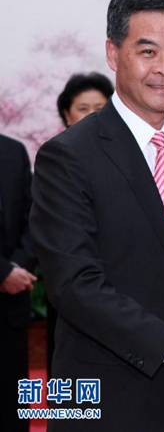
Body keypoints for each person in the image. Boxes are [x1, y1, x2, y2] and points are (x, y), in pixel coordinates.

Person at [30, 0, 164, 432]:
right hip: (108, 401)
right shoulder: (67, 156)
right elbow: (75, 286)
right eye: (147, 52)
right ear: (113, 53)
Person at [46, 72, 115, 380]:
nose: (92, 116)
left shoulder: (130, 159)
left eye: (100, 108)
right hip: (77, 293)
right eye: (83, 108)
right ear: (66, 114)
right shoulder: (56, 160)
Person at [0, 134, 37, 432]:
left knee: (12, 410)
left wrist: (18, 267)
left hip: (11, 306)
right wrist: (2, 273)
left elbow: (33, 217)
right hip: (8, 280)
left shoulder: (13, 151)